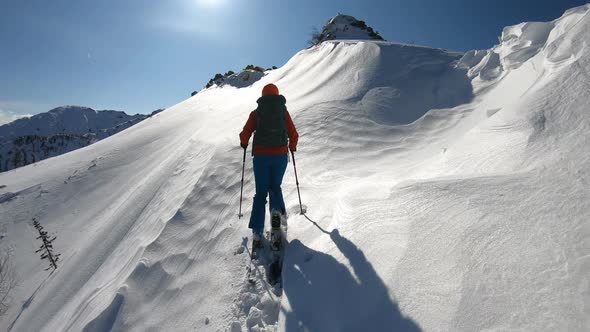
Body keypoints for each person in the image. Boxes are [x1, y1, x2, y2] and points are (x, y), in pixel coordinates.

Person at [239, 83, 299, 248]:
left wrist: (244, 143)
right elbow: (294, 134)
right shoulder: (283, 112)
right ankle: (276, 226)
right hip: (280, 156)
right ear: (277, 95)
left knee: (260, 193)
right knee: (275, 188)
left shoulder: (257, 112)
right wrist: (292, 146)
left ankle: (257, 233)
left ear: (263, 96)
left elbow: (245, 133)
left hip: (261, 157)